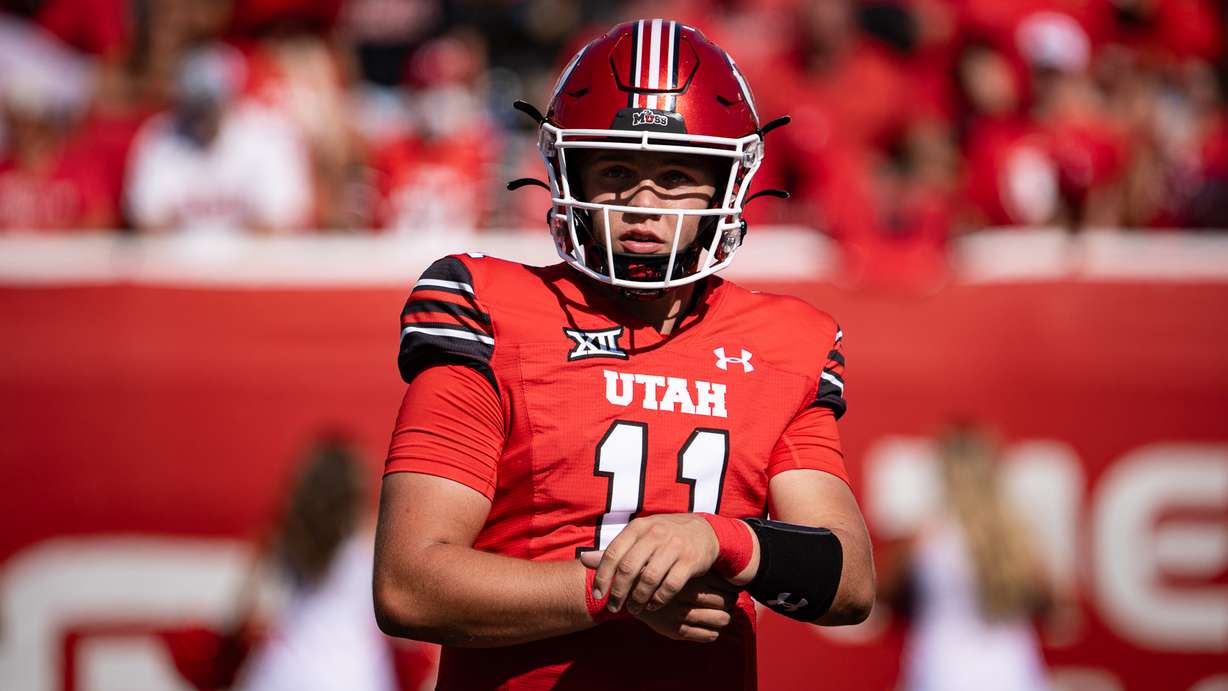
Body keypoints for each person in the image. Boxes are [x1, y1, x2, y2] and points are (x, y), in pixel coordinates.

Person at [373, 19, 875, 691]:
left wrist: (721, 537)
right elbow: (409, 583)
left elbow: (849, 580)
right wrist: (617, 591)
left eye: (674, 175)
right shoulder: (489, 308)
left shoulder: (782, 343)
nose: (641, 203)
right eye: (614, 169)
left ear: (726, 185)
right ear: (567, 170)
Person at [880, 424, 1057, 691]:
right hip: (1013, 674)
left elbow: (880, 598)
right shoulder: (1018, 538)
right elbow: (1052, 606)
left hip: (942, 673)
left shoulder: (924, 537)